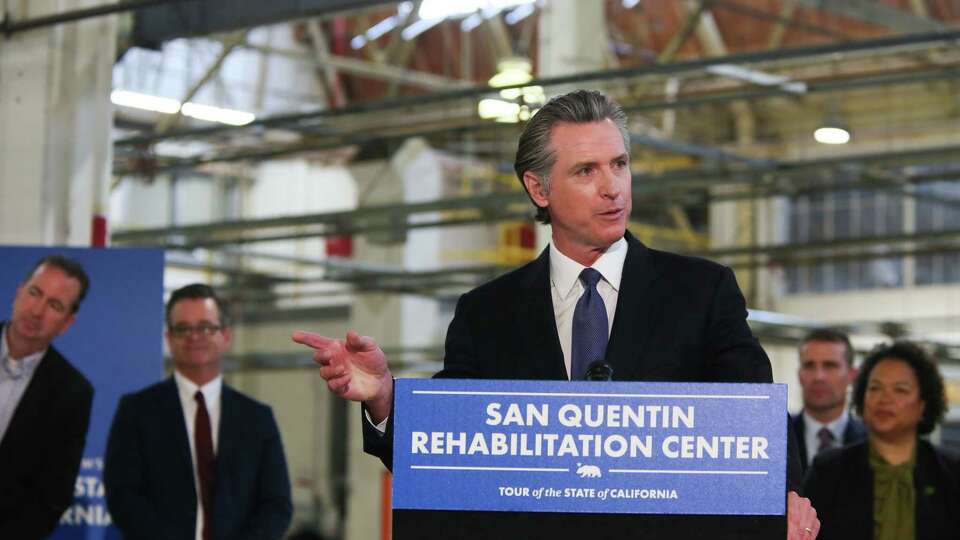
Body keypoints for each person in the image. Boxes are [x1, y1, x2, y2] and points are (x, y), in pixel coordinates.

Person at [293, 89, 819, 538]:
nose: (612, 186)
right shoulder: (487, 314)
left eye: (619, 164)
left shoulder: (702, 291)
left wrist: (788, 493)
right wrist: (386, 395)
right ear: (538, 188)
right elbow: (452, 452)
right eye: (586, 171)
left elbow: (757, 419)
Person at [104, 284, 292, 540]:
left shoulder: (257, 418)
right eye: (183, 328)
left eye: (205, 327)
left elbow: (276, 504)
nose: (194, 336)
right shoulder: (137, 411)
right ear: (169, 339)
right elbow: (123, 496)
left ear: (225, 336)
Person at [804, 341, 959, 540]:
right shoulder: (828, 470)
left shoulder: (951, 473)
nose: (884, 398)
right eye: (875, 388)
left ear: (923, 404)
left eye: (900, 390)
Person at [0, 255, 94, 539]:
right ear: (18, 293)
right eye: (34, 293)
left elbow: (52, 496)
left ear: (66, 323)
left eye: (54, 305)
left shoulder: (72, 392)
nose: (37, 310)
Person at [791, 328, 866, 476]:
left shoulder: (872, 441)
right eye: (809, 365)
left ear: (852, 375)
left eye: (830, 365)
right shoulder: (777, 438)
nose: (819, 376)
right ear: (799, 375)